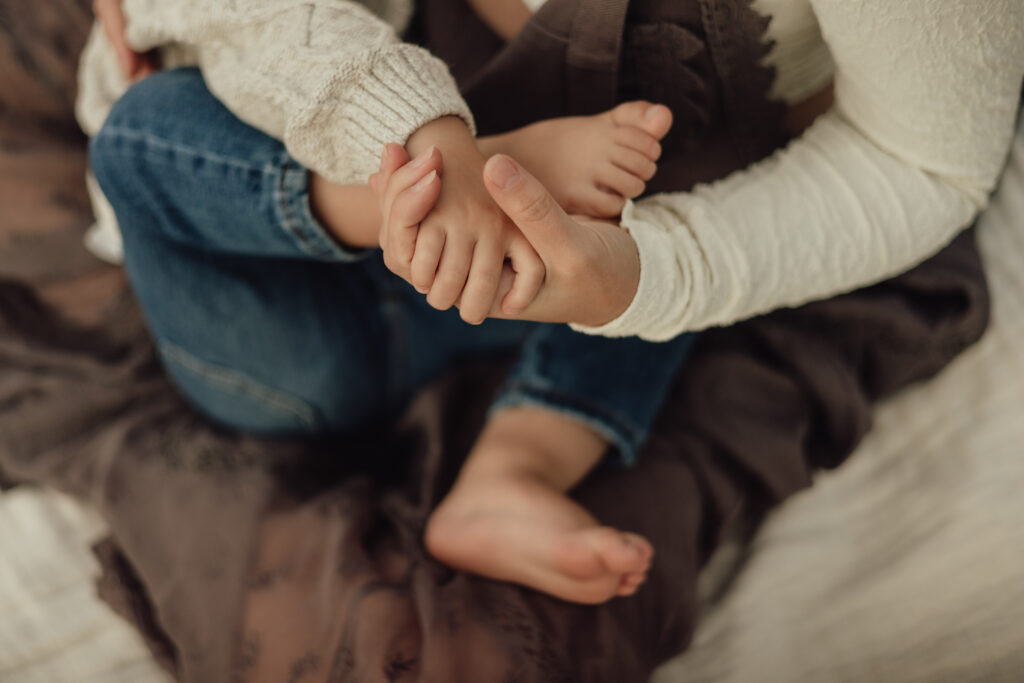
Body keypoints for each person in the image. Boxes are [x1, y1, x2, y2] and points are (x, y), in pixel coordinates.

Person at [82, 0, 1024, 606]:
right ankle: (435, 190)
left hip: (558, 253)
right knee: (139, 138)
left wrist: (638, 276)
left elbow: (918, 160)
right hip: (297, 326)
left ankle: (515, 465)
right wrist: (427, 146)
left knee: (679, 163)